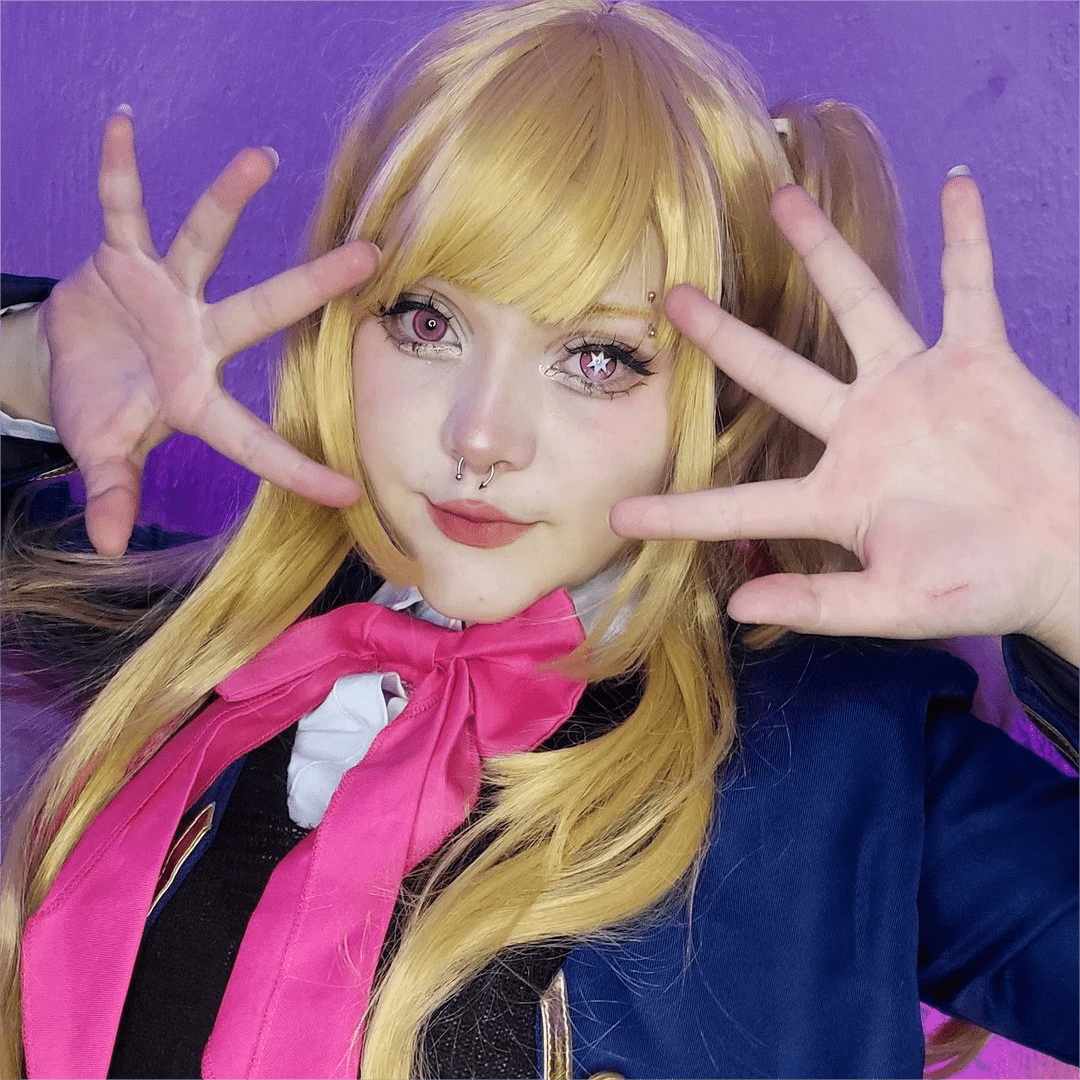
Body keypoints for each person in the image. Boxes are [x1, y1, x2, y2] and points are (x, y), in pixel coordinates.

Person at [0, 2, 1076, 1078]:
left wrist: (1068, 575)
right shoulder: (207, 651)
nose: (480, 437)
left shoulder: (854, 764)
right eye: (427, 321)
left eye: (598, 358)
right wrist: (34, 367)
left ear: (718, 398)